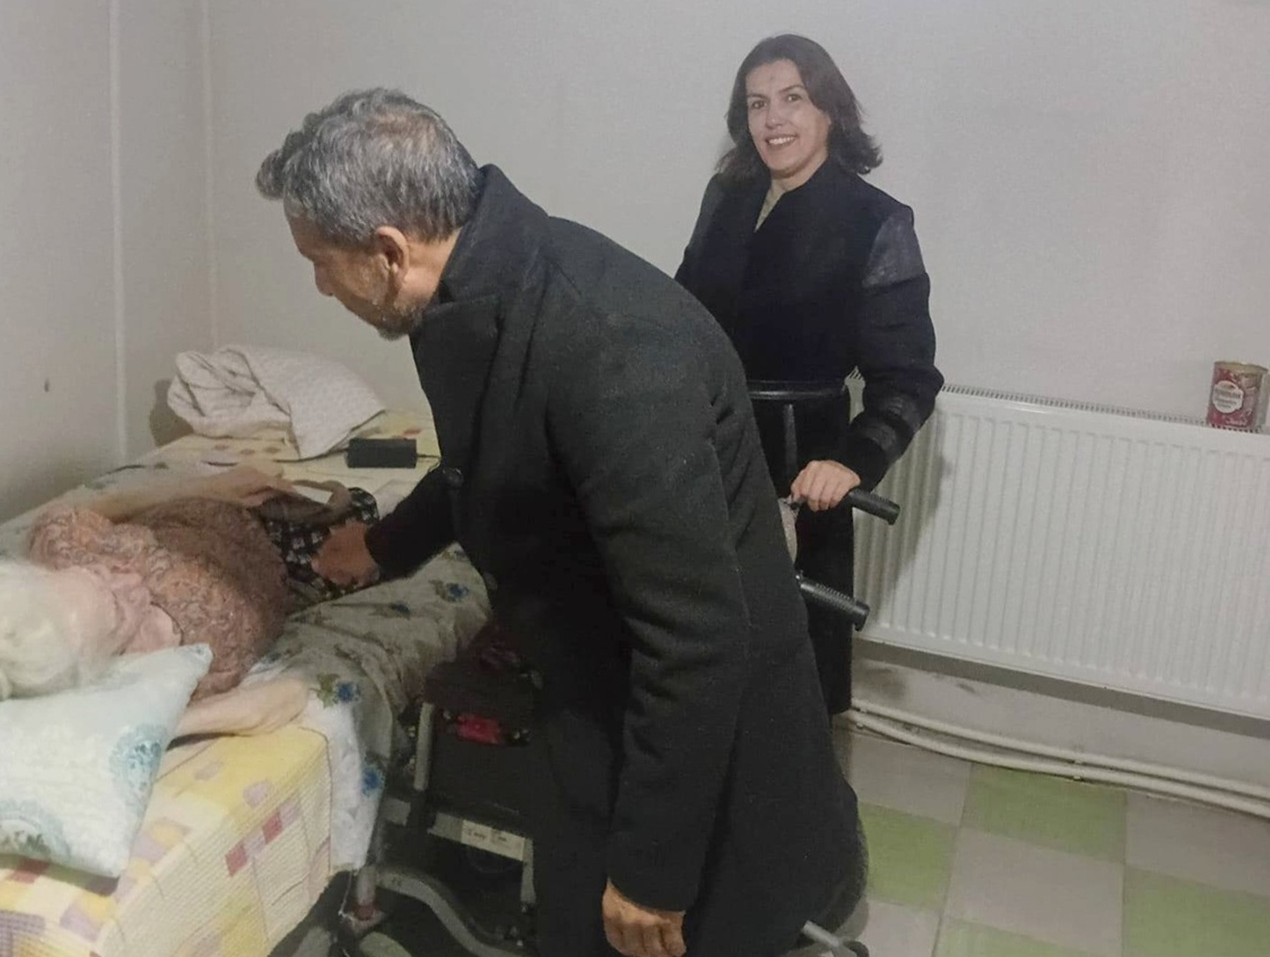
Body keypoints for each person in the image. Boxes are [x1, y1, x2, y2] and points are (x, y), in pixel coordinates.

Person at [258, 88, 863, 957]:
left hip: (692, 738)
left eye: (320, 262)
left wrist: (652, 870)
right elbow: (490, 457)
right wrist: (385, 545)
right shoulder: (468, 292)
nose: (320, 285)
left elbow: (697, 641)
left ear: (389, 252)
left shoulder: (609, 345)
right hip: (589, 685)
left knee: (660, 930)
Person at [676, 34, 944, 716]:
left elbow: (909, 379)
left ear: (829, 109)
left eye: (792, 98)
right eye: (757, 103)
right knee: (693, 656)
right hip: (702, 448)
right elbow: (683, 313)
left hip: (801, 465)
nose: (774, 119)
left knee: (788, 681)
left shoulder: (876, 221)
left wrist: (851, 463)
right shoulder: (726, 196)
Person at [0, 466, 342, 736]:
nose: (128, 578)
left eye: (97, 573)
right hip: (276, 546)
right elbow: (289, 693)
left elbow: (62, 517)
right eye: (119, 610)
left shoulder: (60, 556)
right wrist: (164, 726)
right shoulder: (187, 660)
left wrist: (205, 487)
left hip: (203, 503)